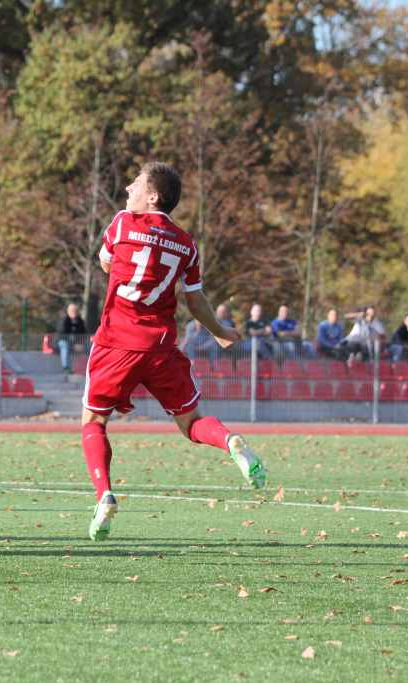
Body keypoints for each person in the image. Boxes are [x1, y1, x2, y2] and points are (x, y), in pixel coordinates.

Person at [81, 162, 266, 541]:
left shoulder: (122, 224)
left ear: (153, 196)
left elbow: (106, 261)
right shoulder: (187, 244)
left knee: (94, 422)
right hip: (161, 346)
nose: (128, 189)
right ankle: (229, 440)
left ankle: (105, 496)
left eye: (136, 184)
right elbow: (194, 301)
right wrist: (220, 332)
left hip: (116, 342)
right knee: (191, 422)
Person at [56, 303, 87, 372]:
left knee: (88, 347)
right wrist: (73, 342)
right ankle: (66, 367)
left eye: (75, 310)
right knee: (65, 346)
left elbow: (83, 333)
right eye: (72, 310)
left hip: (76, 342)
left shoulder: (80, 321)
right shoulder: (64, 320)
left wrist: (80, 343)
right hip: (62, 341)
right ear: (68, 311)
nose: (74, 312)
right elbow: (62, 333)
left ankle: (87, 368)